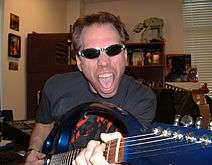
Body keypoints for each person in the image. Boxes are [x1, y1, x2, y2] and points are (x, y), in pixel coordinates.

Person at [25, 11, 156, 165]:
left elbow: (131, 153)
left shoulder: (142, 99)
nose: (104, 62)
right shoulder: (55, 87)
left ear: (125, 56)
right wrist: (33, 151)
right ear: (79, 62)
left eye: (113, 50)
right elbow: (44, 123)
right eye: (90, 53)